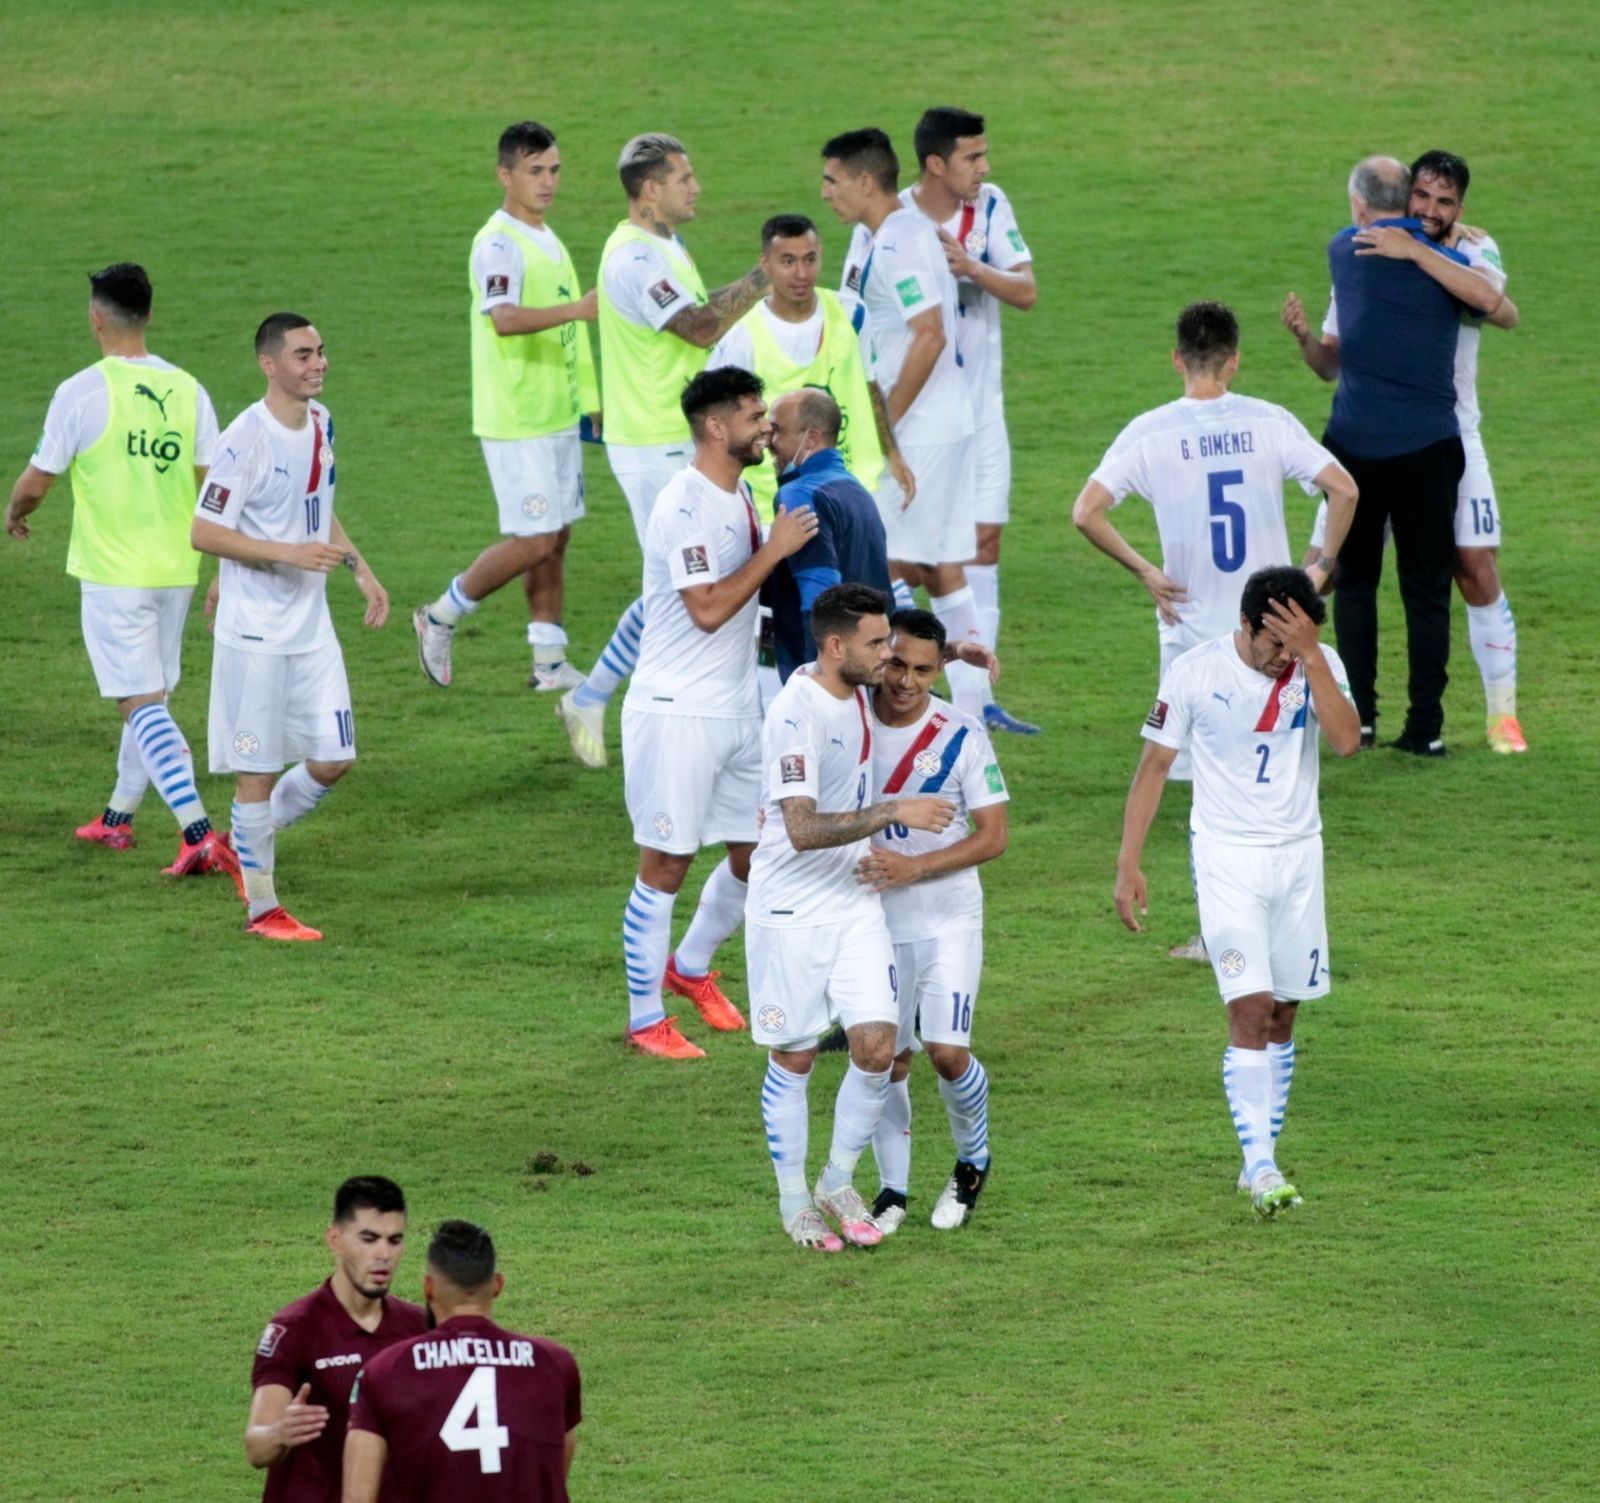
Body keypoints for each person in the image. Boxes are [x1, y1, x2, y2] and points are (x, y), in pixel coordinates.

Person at [1074, 301, 1356, 960]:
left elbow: (1086, 512)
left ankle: (1218, 931)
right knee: (1283, 774)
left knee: (1208, 785)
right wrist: (1317, 570)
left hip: (1197, 635)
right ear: (1234, 362)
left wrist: (1146, 570)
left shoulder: (1150, 432)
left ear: (1177, 359)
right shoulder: (1268, 420)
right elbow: (1344, 489)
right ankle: (1283, 921)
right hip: (1276, 629)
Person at [1113, 567, 1361, 1217]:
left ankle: (1259, 1159)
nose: (1283, 657)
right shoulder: (1195, 673)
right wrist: (1128, 862)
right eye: (1275, 642)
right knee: (1250, 1008)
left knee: (1283, 1013)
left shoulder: (1317, 663)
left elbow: (1346, 742)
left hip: (1299, 858)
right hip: (1227, 859)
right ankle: (1261, 1164)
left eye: (1293, 643)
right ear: (1246, 625)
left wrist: (1311, 656)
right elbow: (1154, 767)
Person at [1287, 149, 1524, 753]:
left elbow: (1502, 311)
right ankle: (1310, 706)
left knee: (1473, 567)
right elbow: (1332, 359)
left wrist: (1418, 251)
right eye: (1422, 197)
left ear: (1461, 209)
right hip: (1390, 433)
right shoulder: (1367, 252)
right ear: (1405, 196)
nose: (1432, 210)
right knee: (1324, 573)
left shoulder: (1473, 249)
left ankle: (1502, 716)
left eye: (1446, 203)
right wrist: (1307, 339)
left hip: (1453, 431)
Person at [6, 263, 238, 879]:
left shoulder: (82, 391)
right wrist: (224, 564)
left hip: (114, 573)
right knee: (149, 697)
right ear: (149, 315)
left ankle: (196, 833)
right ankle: (117, 818)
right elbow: (215, 487)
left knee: (139, 703)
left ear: (95, 319)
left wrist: (15, 512)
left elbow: (36, 482)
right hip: (176, 570)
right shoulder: (189, 389)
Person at [747, 583, 956, 1251]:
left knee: (877, 1049)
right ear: (836, 646)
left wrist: (958, 651)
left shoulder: (856, 687)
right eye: (876, 643)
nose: (888, 654)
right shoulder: (795, 715)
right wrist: (895, 810)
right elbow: (802, 829)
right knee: (796, 1054)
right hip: (790, 910)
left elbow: (906, 662)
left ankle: (837, 1182)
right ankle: (793, 1204)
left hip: (854, 902)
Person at [619, 368, 819, 1060]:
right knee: (665, 864)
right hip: (676, 712)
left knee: (757, 852)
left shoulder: (740, 495)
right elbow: (705, 608)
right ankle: (645, 1020)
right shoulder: (685, 503)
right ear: (715, 426)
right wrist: (775, 550)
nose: (767, 427)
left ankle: (691, 966)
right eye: (755, 416)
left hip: (736, 709)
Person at [556, 132, 770, 768]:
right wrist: (766, 275)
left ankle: (596, 696)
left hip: (676, 436)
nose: (696, 187)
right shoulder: (634, 260)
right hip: (653, 445)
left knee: (692, 579)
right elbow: (700, 326)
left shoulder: (665, 244)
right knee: (686, 586)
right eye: (684, 179)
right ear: (650, 191)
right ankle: (602, 698)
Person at [191, 313, 389, 941]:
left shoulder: (322, 422)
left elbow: (317, 508)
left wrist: (360, 570)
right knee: (256, 770)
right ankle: (262, 909)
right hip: (256, 635)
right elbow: (204, 531)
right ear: (269, 364)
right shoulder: (244, 440)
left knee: (335, 758)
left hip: (312, 628)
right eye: (303, 355)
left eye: (320, 352)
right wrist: (284, 554)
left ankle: (241, 843)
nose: (318, 363)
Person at [413, 120, 599, 692]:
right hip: (519, 419)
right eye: (534, 171)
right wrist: (578, 310)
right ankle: (440, 614)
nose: (548, 182)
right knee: (535, 540)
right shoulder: (498, 243)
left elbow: (567, 334)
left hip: (556, 413)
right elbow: (504, 318)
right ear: (504, 175)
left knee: (556, 536)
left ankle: (549, 661)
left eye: (554, 170)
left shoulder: (545, 236)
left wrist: (588, 403)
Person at [820, 129, 988, 721]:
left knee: (875, 562)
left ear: (865, 181)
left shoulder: (898, 243)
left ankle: (897, 696)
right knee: (935, 564)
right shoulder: (893, 233)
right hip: (931, 423)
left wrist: (882, 424)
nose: (826, 193)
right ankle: (974, 705)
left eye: (832, 180)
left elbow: (930, 334)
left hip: (920, 431)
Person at [859, 609, 1008, 1233]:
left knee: (947, 1054)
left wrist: (915, 869)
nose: (906, 681)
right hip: (871, 919)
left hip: (948, 915)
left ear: (939, 669)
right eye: (896, 663)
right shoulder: (849, 717)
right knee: (885, 1058)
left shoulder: (962, 734)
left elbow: (993, 836)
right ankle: (892, 1192)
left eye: (923, 670)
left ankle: (972, 1161)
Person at [901, 106, 1040, 735]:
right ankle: (908, 683)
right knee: (918, 560)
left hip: (984, 414)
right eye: (972, 158)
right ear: (937, 164)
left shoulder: (991, 205)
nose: (984, 167)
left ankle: (975, 705)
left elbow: (1026, 290)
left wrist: (972, 268)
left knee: (984, 545)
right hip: (924, 423)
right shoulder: (895, 223)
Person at [343, 1220, 581, 1502]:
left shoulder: (384, 1372)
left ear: (428, 1288)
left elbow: (357, 1497)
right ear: (497, 1285)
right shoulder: (555, 1365)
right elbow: (553, 1475)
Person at [707, 213, 907, 523]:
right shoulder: (742, 339)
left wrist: (893, 455)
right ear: (766, 264)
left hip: (853, 491)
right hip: (778, 506)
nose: (801, 273)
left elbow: (870, 388)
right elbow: (715, 422)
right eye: (788, 261)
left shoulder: (852, 315)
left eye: (809, 259)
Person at [245, 1176, 425, 1503]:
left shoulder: (420, 1328)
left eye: (395, 1240)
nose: (384, 1254)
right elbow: (256, 1448)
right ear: (335, 1239)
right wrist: (279, 1433)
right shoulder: (294, 1329)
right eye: (369, 1239)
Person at [761, 386, 892, 682]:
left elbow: (819, 600)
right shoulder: (857, 491)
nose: (768, 441)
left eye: (777, 430)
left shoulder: (799, 494)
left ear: (811, 438)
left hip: (827, 673)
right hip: (864, 669)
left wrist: (818, 683)